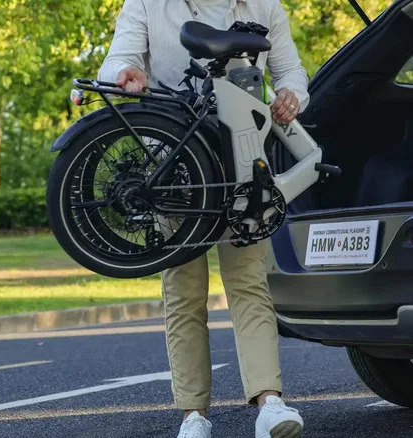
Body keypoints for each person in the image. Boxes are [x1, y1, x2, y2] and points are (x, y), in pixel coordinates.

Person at [98, 1, 308, 438]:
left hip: (243, 161)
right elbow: (118, 60)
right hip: (172, 166)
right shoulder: (147, 3)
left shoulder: (264, 5)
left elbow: (291, 71)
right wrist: (124, 75)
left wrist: (292, 94)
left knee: (249, 282)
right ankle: (193, 416)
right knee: (183, 290)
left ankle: (270, 404)